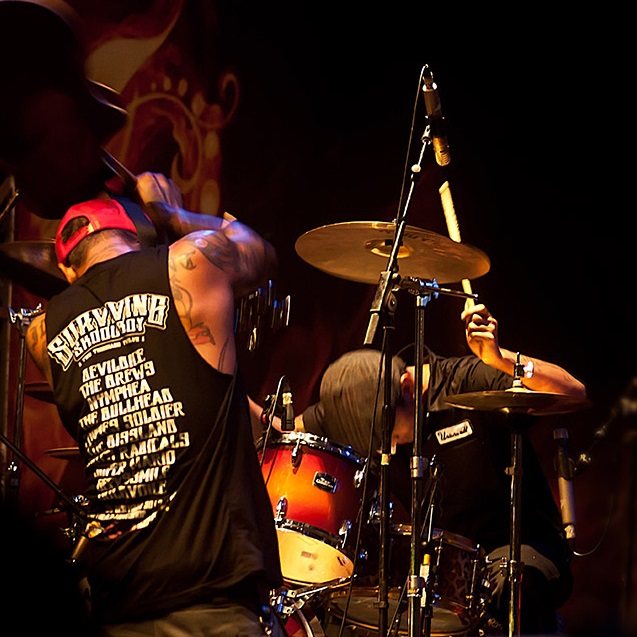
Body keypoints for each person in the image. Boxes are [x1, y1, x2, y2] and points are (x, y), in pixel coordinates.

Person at [24, 196, 286, 636]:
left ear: (67, 270)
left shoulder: (41, 333)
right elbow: (256, 250)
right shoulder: (189, 263)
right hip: (208, 594)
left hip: (116, 600)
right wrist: (173, 215)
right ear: (136, 238)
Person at [251, 302, 587, 636]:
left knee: (513, 587)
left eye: (390, 433)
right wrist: (232, 392)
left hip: (518, 551)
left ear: (409, 388)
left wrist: (501, 360)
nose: (390, 447)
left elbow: (573, 391)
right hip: (441, 565)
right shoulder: (349, 402)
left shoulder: (465, 380)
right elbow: (281, 434)